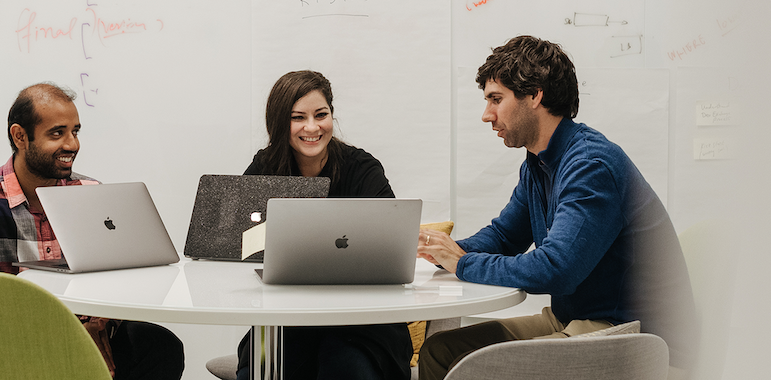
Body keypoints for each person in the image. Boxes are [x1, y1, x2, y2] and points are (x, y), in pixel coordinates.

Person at [416, 36, 697, 380]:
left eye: (496, 99)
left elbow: (557, 270)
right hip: (577, 319)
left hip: (631, 335)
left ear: (535, 95)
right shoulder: (538, 163)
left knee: (477, 370)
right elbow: (506, 235)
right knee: (441, 351)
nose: (486, 115)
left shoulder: (591, 165)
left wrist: (462, 262)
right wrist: (442, 249)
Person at [0, 82, 185, 380]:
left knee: (160, 345)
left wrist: (100, 323)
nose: (72, 145)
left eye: (75, 131)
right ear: (20, 136)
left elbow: (112, 286)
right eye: (57, 133)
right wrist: (70, 340)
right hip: (4, 343)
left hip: (83, 334)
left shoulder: (89, 192)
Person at [235, 70, 413, 380]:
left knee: (346, 368)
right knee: (257, 370)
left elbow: (392, 246)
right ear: (279, 123)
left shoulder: (362, 169)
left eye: (321, 115)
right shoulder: (264, 168)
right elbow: (239, 244)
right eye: (298, 117)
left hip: (362, 324)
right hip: (284, 322)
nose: (312, 127)